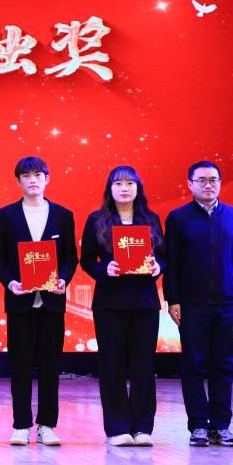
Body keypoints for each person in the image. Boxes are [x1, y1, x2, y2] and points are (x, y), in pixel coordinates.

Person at [164, 161, 233, 447]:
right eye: (201, 180)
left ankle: (221, 426)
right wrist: (173, 299)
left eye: (213, 180)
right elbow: (172, 262)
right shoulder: (178, 218)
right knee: (193, 365)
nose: (208, 185)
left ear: (220, 183)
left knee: (223, 366)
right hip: (192, 304)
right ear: (190, 184)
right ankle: (198, 427)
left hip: (228, 303)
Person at [0, 156, 77, 447]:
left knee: (51, 366)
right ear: (18, 181)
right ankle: (21, 425)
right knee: (20, 365)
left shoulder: (63, 215)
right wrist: (10, 282)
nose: (33, 180)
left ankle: (47, 425)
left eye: (38, 175)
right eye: (26, 176)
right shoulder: (6, 216)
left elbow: (70, 256)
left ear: (47, 179)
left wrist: (63, 279)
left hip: (52, 302)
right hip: (20, 302)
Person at [80, 166, 164, 447]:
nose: (124, 188)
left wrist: (157, 267)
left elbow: (163, 257)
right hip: (110, 303)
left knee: (144, 366)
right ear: (110, 189)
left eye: (130, 183)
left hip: (145, 303)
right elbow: (87, 260)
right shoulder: (96, 220)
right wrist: (104, 270)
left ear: (138, 188)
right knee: (112, 365)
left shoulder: (151, 219)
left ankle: (143, 428)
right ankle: (117, 429)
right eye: (118, 183)